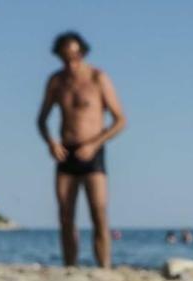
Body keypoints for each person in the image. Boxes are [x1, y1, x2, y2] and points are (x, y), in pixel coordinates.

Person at [36, 31, 127, 268]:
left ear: (82, 53)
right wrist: (51, 142)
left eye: (75, 55)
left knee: (99, 212)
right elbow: (41, 119)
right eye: (65, 57)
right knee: (66, 215)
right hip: (65, 152)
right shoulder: (56, 81)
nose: (71, 61)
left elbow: (120, 120)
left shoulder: (98, 78)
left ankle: (104, 268)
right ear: (59, 56)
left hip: (93, 151)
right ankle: (70, 267)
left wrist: (94, 143)